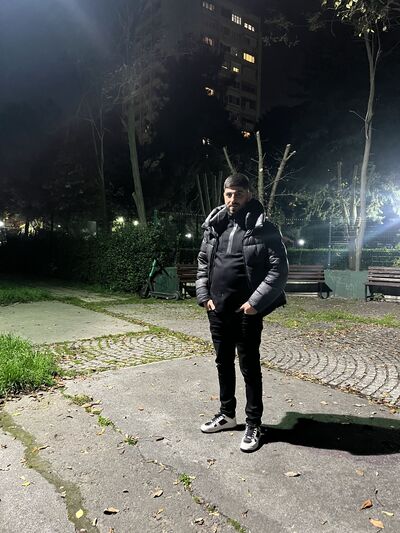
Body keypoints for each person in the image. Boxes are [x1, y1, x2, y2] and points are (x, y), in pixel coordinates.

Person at [196, 173, 288, 452]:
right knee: (223, 362)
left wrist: (255, 303)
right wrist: (204, 296)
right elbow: (203, 261)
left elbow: (279, 270)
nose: (233, 199)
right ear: (223, 195)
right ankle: (227, 414)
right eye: (228, 194)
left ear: (249, 194)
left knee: (249, 367)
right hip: (217, 309)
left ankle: (254, 423)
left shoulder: (265, 228)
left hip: (246, 312)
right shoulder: (215, 225)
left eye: (238, 194)